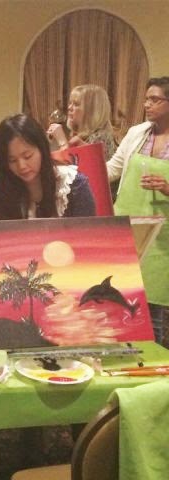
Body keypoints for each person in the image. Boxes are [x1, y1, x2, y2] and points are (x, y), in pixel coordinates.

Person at [106, 76, 169, 344]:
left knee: (153, 312)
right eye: (146, 99)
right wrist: (75, 170)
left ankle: (156, 363)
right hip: (128, 227)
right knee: (120, 300)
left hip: (163, 239)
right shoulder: (137, 133)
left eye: (155, 99)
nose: (147, 104)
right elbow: (112, 169)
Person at [0, 113, 96, 220]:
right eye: (12, 160)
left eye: (28, 156)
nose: (21, 166)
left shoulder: (74, 185)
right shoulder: (4, 194)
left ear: (42, 149)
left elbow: (88, 229)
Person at [47, 84, 117, 161]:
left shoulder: (102, 137)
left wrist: (62, 141)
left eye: (76, 104)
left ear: (91, 111)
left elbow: (78, 166)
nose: (69, 108)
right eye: (70, 103)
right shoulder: (79, 135)